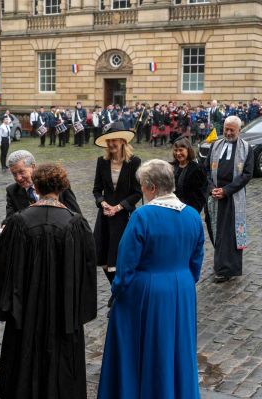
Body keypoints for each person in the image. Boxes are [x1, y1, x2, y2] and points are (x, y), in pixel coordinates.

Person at [98, 159, 204, 399]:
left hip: (148, 291)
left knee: (145, 349)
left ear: (153, 187)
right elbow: (196, 263)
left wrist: (118, 293)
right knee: (178, 348)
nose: (142, 191)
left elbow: (126, 265)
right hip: (183, 289)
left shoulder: (143, 216)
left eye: (143, 186)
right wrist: (183, 282)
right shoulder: (192, 216)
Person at [0, 163, 97, 399]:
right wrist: (79, 309)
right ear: (62, 187)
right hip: (63, 313)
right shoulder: (76, 223)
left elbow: (4, 268)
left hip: (25, 312)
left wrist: (5, 305)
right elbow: (87, 269)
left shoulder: (18, 222)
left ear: (36, 186)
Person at [204, 115, 253, 283]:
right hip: (215, 196)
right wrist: (212, 189)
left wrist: (226, 191)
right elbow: (206, 171)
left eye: (232, 129)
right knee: (215, 231)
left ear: (239, 130)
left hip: (233, 197)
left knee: (229, 234)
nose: (229, 132)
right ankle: (220, 265)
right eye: (226, 129)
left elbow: (246, 175)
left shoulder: (246, 148)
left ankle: (226, 269)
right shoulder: (215, 145)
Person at [93, 121, 142, 286]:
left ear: (123, 141)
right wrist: (102, 203)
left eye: (114, 140)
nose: (111, 143)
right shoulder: (102, 161)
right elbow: (96, 190)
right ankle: (115, 289)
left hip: (124, 217)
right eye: (108, 140)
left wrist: (119, 207)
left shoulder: (134, 162)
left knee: (122, 256)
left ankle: (121, 290)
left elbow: (137, 192)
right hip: (105, 217)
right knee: (104, 257)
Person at [3, 150, 81, 226]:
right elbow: (9, 219)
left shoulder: (55, 183)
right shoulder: (12, 191)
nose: (18, 178)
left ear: (33, 167)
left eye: (21, 172)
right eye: (14, 174)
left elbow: (75, 213)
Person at [171, 138, 207, 213]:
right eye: (176, 150)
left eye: (181, 150)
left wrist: (192, 211)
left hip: (189, 210)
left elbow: (200, 195)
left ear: (188, 150)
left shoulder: (197, 169)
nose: (178, 153)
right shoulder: (171, 166)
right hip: (172, 207)